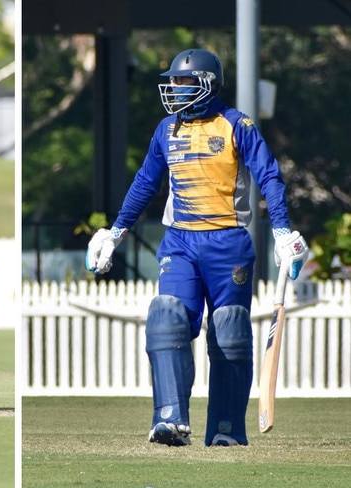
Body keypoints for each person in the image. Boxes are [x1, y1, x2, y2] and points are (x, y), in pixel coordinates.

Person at [86, 48, 308, 446]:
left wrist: (282, 232)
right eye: (173, 81)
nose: (174, 89)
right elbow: (145, 183)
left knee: (229, 330)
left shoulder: (237, 124)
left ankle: (226, 430)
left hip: (229, 242)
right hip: (180, 241)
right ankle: (169, 419)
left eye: (183, 82)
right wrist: (115, 232)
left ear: (207, 85)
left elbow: (270, 178)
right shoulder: (166, 129)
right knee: (167, 315)